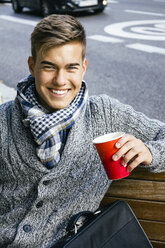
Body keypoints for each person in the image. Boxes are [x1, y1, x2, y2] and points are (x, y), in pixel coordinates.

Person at [0, 14, 165, 248]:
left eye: (71, 68)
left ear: (83, 68)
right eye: (49, 67)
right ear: (31, 65)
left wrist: (151, 151)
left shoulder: (104, 114)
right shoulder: (3, 121)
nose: (60, 80)